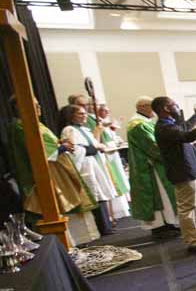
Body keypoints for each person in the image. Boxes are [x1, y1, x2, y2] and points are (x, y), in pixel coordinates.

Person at [6, 97, 98, 244]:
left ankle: (76, 242)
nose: (39, 107)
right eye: (35, 105)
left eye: (38, 104)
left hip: (56, 169)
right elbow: (36, 150)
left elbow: (48, 142)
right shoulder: (20, 126)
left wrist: (59, 143)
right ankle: (65, 243)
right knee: (55, 208)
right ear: (21, 107)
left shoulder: (36, 123)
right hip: (44, 174)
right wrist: (60, 148)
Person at [151, 97, 196, 253]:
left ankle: (193, 238)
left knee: (188, 207)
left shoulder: (168, 124)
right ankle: (192, 242)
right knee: (186, 209)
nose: (177, 107)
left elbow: (183, 129)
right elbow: (187, 136)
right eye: (174, 104)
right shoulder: (165, 127)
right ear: (166, 108)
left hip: (184, 170)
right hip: (182, 171)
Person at [60, 103, 120, 235]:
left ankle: (106, 224)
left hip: (93, 163)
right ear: (71, 116)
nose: (85, 116)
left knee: (100, 192)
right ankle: (101, 227)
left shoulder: (84, 129)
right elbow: (74, 149)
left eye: (85, 113)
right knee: (93, 193)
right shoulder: (69, 130)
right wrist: (93, 148)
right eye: (80, 114)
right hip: (84, 165)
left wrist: (99, 146)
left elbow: (93, 143)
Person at [126, 97, 178, 236]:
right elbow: (152, 145)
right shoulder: (138, 124)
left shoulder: (144, 122)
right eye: (151, 106)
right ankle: (159, 227)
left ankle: (168, 223)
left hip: (153, 165)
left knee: (164, 196)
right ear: (142, 107)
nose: (154, 110)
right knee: (159, 196)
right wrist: (172, 153)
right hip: (149, 167)